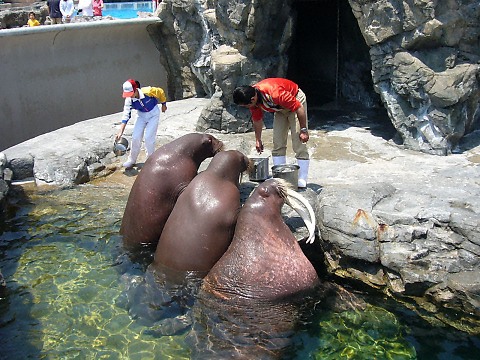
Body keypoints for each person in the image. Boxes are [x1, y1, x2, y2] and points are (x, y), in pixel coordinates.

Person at [233, 78, 310, 188]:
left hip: (296, 101)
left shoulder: (274, 94)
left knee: (298, 142)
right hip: (280, 108)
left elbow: (299, 108)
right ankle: (280, 177)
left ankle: (302, 178)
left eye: (246, 106)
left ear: (253, 99)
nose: (246, 108)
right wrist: (258, 140)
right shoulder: (253, 101)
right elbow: (257, 120)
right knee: (277, 142)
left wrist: (303, 130)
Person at [115, 79, 168, 169]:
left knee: (148, 138)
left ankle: (150, 161)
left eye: (131, 94)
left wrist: (163, 104)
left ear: (136, 90)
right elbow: (126, 114)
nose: (129, 96)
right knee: (135, 137)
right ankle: (131, 160)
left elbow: (160, 92)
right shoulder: (129, 100)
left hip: (153, 114)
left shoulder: (148, 91)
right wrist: (120, 131)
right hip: (141, 116)